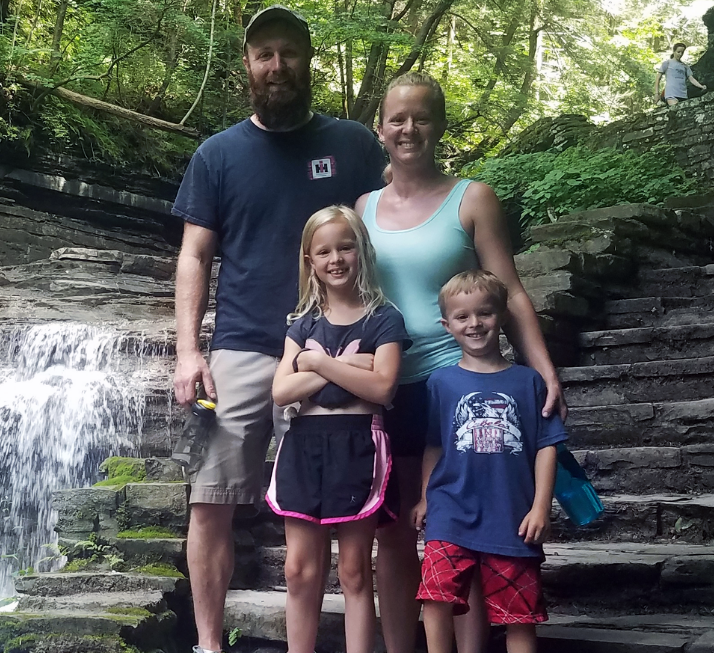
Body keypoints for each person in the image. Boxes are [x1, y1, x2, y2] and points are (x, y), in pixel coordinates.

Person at [171, 6, 386, 652]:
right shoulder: (217, 155)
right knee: (210, 498)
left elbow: (385, 236)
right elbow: (194, 256)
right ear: (247, 65)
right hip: (242, 346)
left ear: (308, 58)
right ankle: (210, 644)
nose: (277, 65)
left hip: (338, 349)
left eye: (288, 52)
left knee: (352, 506)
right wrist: (188, 350)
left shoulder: (352, 146)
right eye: (264, 53)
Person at [355, 71, 567, 653]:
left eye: (422, 117)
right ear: (381, 128)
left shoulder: (472, 197)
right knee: (395, 529)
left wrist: (542, 366)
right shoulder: (364, 207)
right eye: (397, 118)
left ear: (440, 126)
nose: (409, 128)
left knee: (471, 528)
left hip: (459, 380)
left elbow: (512, 290)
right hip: (387, 380)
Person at [269, 206, 410, 653]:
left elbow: (383, 387)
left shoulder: (384, 318)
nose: (336, 258)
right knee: (298, 568)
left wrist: (316, 364)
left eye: (345, 247)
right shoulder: (302, 323)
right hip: (304, 446)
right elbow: (281, 391)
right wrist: (346, 366)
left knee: (353, 569)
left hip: (359, 445)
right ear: (310, 260)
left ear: (362, 251)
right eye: (324, 250)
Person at [410, 270, 566, 653]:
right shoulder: (440, 382)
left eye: (485, 313)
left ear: (502, 317)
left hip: (510, 515)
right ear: (446, 325)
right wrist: (426, 497)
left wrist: (540, 507)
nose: (475, 324)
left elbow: (548, 445)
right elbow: (434, 444)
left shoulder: (529, 382)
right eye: (462, 317)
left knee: (519, 613)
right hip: (451, 509)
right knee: (436, 594)